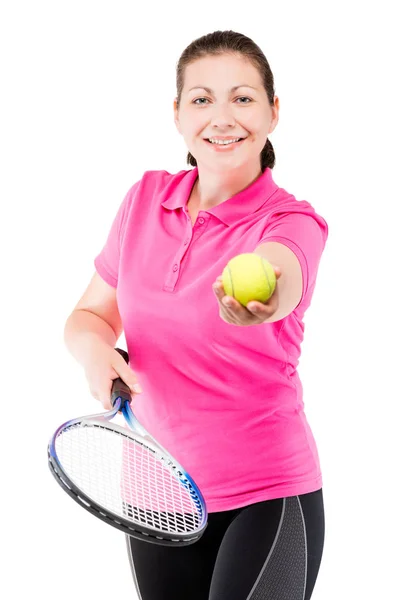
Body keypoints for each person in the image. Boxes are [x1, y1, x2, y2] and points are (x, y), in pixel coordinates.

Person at [64, 29, 328, 600]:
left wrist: (260, 299)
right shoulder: (143, 201)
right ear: (178, 116)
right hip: (158, 496)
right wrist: (94, 352)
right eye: (202, 99)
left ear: (273, 113)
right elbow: (88, 315)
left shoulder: (289, 222)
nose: (222, 117)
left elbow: (283, 270)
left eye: (243, 97)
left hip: (267, 496)